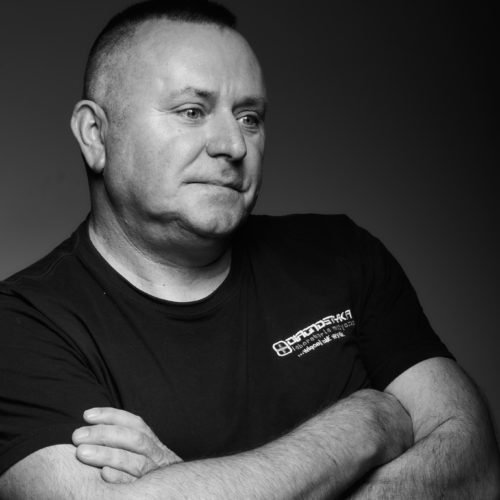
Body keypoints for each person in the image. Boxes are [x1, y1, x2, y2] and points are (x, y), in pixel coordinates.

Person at [0, 0, 499, 498]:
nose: (234, 145)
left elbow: (476, 469)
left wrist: (188, 482)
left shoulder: (341, 254)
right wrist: (363, 426)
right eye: (192, 111)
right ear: (95, 134)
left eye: (249, 117)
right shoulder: (23, 323)